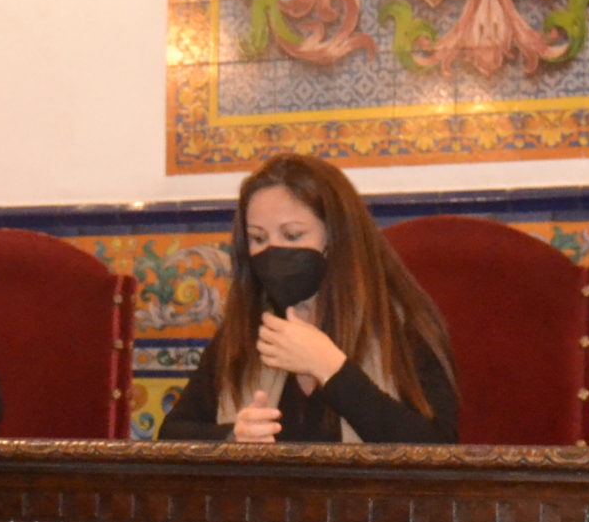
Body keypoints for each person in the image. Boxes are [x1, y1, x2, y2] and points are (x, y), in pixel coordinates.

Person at [159, 154, 458, 445]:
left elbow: (438, 449)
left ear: (337, 239)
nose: (274, 253)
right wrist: (232, 436)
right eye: (259, 239)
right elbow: (172, 434)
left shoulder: (402, 325)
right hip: (267, 497)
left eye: (292, 236)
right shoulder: (248, 328)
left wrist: (331, 368)